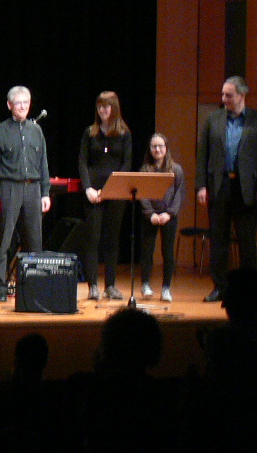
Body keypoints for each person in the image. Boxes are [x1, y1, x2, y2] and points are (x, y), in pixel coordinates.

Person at [196, 76, 257, 302]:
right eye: (222, 94)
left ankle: (250, 289)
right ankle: (220, 287)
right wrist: (201, 185)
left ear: (242, 95)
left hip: (246, 187)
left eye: (228, 95)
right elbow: (202, 154)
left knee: (247, 241)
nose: (223, 99)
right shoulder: (213, 119)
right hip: (219, 186)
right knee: (218, 239)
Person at [0, 86, 51, 302]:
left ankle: (33, 287)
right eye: (18, 103)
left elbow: (43, 164)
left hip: (33, 188)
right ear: (9, 105)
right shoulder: (0, 131)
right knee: (4, 240)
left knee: (34, 241)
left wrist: (45, 193)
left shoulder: (36, 130)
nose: (23, 106)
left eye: (26, 102)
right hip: (9, 188)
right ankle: (0, 287)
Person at [77, 91, 133, 301]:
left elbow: (126, 163)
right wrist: (88, 188)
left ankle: (110, 285)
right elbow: (82, 162)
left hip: (115, 192)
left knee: (112, 238)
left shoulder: (124, 134)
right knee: (93, 238)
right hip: (93, 193)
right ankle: (93, 285)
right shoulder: (89, 132)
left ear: (114, 108)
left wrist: (109, 189)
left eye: (106, 106)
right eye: (99, 106)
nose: (102, 110)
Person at [137, 133, 184, 302]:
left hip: (168, 216)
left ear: (166, 148)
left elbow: (179, 193)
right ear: (150, 149)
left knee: (168, 252)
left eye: (160, 146)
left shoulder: (176, 169)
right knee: (147, 251)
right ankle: (145, 285)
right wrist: (150, 214)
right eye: (154, 146)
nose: (157, 149)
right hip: (150, 216)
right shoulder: (144, 170)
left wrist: (169, 213)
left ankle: (166, 288)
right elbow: (141, 194)